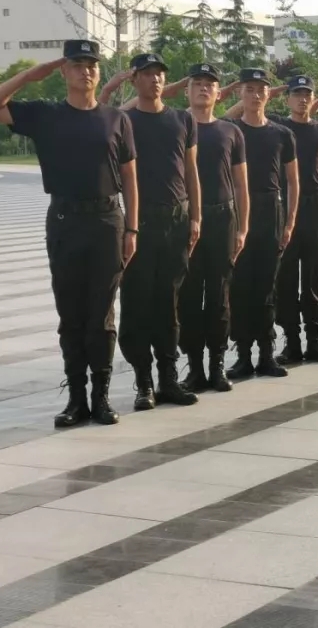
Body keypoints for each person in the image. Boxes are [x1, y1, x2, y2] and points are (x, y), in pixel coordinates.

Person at [0, 41, 135, 428]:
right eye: (77, 64)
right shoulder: (44, 115)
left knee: (102, 314)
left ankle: (101, 396)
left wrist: (132, 227)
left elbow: (130, 178)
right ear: (64, 71)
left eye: (91, 65)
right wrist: (29, 76)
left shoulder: (116, 118)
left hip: (107, 221)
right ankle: (76, 398)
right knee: (70, 312)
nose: (86, 71)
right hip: (65, 221)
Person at [104, 53, 202, 411]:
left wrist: (196, 217)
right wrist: (110, 87)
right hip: (139, 224)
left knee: (169, 302)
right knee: (137, 305)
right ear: (135, 80)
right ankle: (144, 382)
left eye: (160, 73)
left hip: (177, 221)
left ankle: (169, 380)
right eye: (147, 74)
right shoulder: (124, 121)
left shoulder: (182, 120)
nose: (155, 79)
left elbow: (191, 172)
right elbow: (99, 115)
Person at [175, 64, 250, 392]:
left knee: (220, 295)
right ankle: (194, 367)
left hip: (222, 219)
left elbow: (241, 184)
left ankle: (217, 364)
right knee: (189, 296)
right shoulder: (175, 126)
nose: (204, 88)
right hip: (186, 220)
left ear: (220, 93)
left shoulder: (230, 132)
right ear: (186, 90)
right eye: (197, 83)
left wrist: (243, 227)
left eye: (210, 84)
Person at [223, 68, 298, 379]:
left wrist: (289, 222)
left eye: (261, 89)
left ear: (270, 93)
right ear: (240, 92)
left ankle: (267, 353)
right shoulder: (231, 130)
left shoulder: (282, 133)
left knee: (267, 286)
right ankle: (243, 355)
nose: (256, 95)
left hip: (270, 209)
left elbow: (293, 181)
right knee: (240, 286)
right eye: (249, 89)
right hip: (239, 211)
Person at [271, 75, 318, 364]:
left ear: (314, 98)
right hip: (285, 207)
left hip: (315, 206)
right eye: (296, 94)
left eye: (307, 94)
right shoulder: (279, 128)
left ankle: (314, 340)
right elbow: (238, 113)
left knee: (313, 277)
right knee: (286, 279)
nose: (302, 99)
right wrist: (271, 92)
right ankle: (292, 342)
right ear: (287, 98)